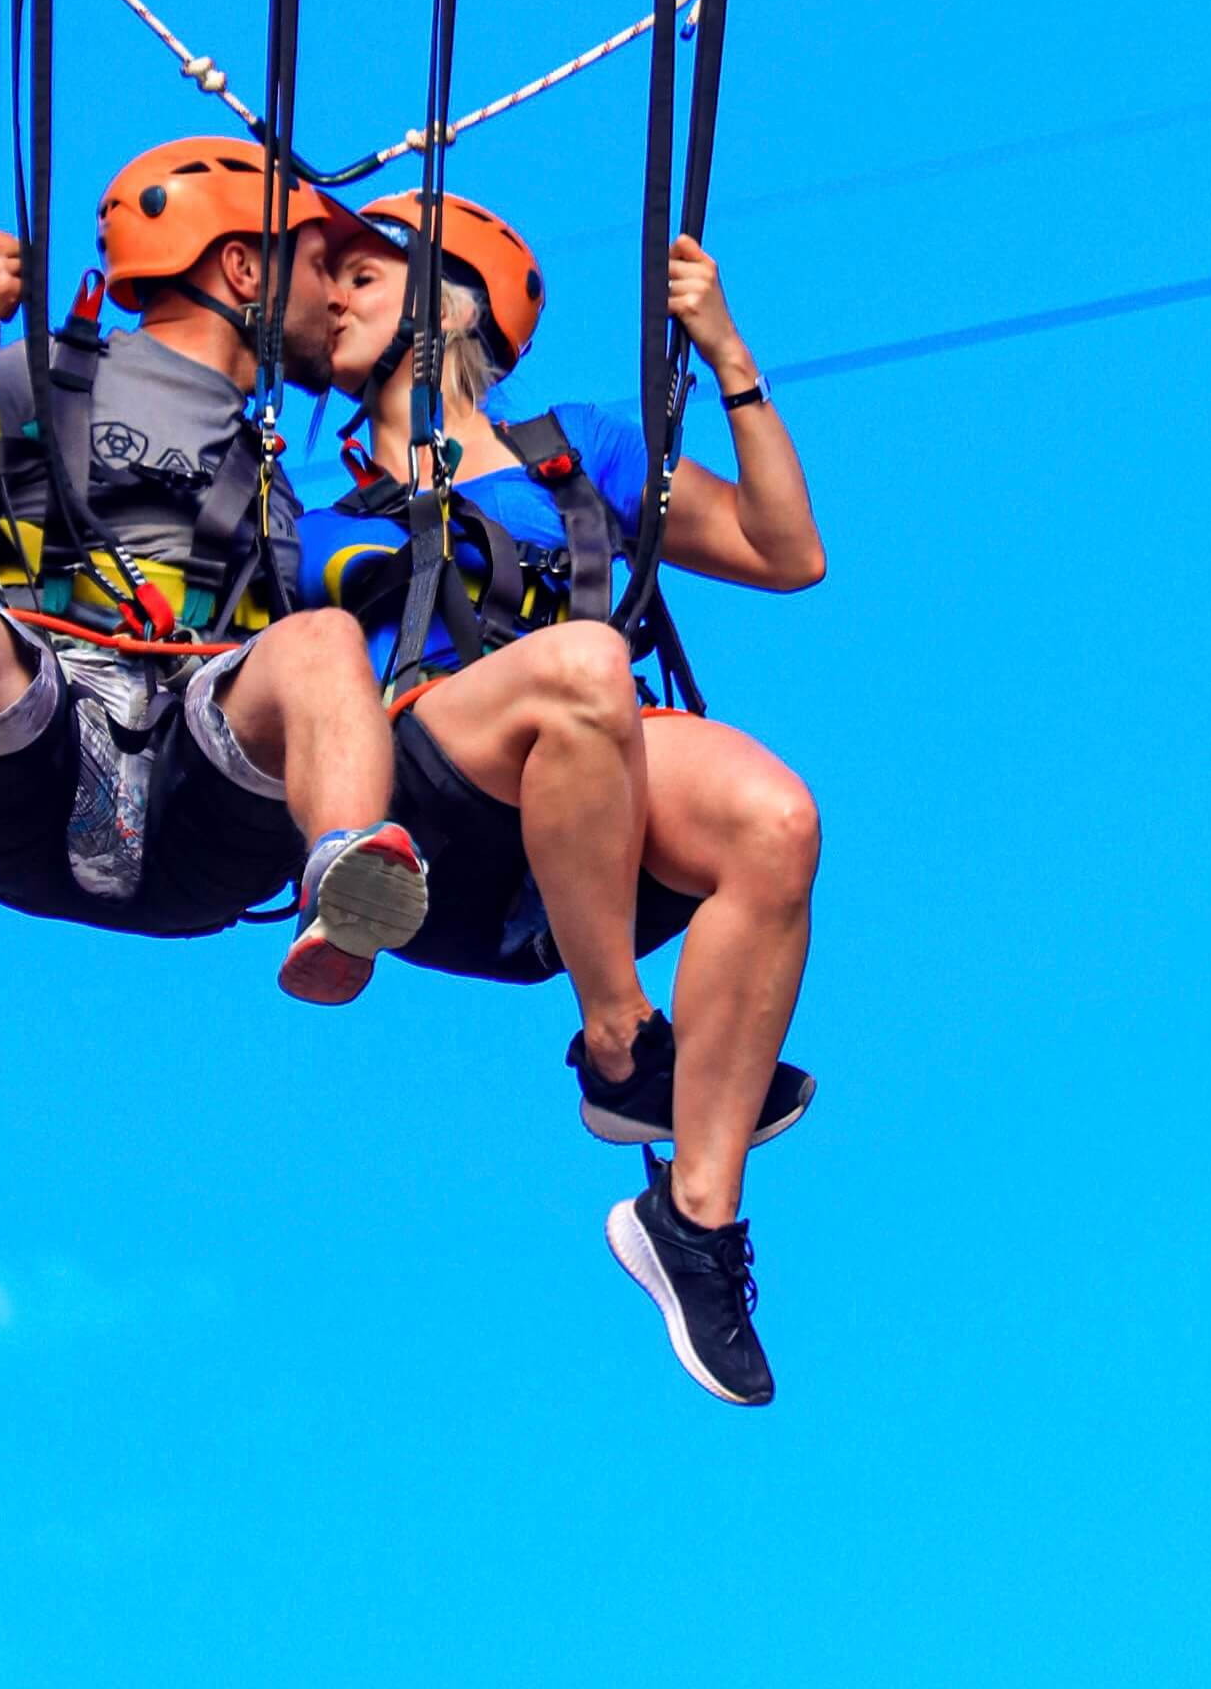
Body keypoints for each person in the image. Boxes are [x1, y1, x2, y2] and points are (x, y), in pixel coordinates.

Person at [299, 192, 827, 1405]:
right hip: (433, 800)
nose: (331, 302)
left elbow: (785, 554)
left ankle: (693, 1218)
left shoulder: (569, 448)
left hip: (592, 797)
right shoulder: (303, 510)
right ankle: (619, 1042)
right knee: (585, 666)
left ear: (450, 306)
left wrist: (730, 357)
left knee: (774, 820)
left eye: (365, 280)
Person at [0, 138, 425, 988]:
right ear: (245, 269)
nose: (335, 298)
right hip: (35, 740)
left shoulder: (276, 475)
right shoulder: (53, 376)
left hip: (197, 800)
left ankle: (344, 884)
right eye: (323, 267)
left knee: (325, 639)